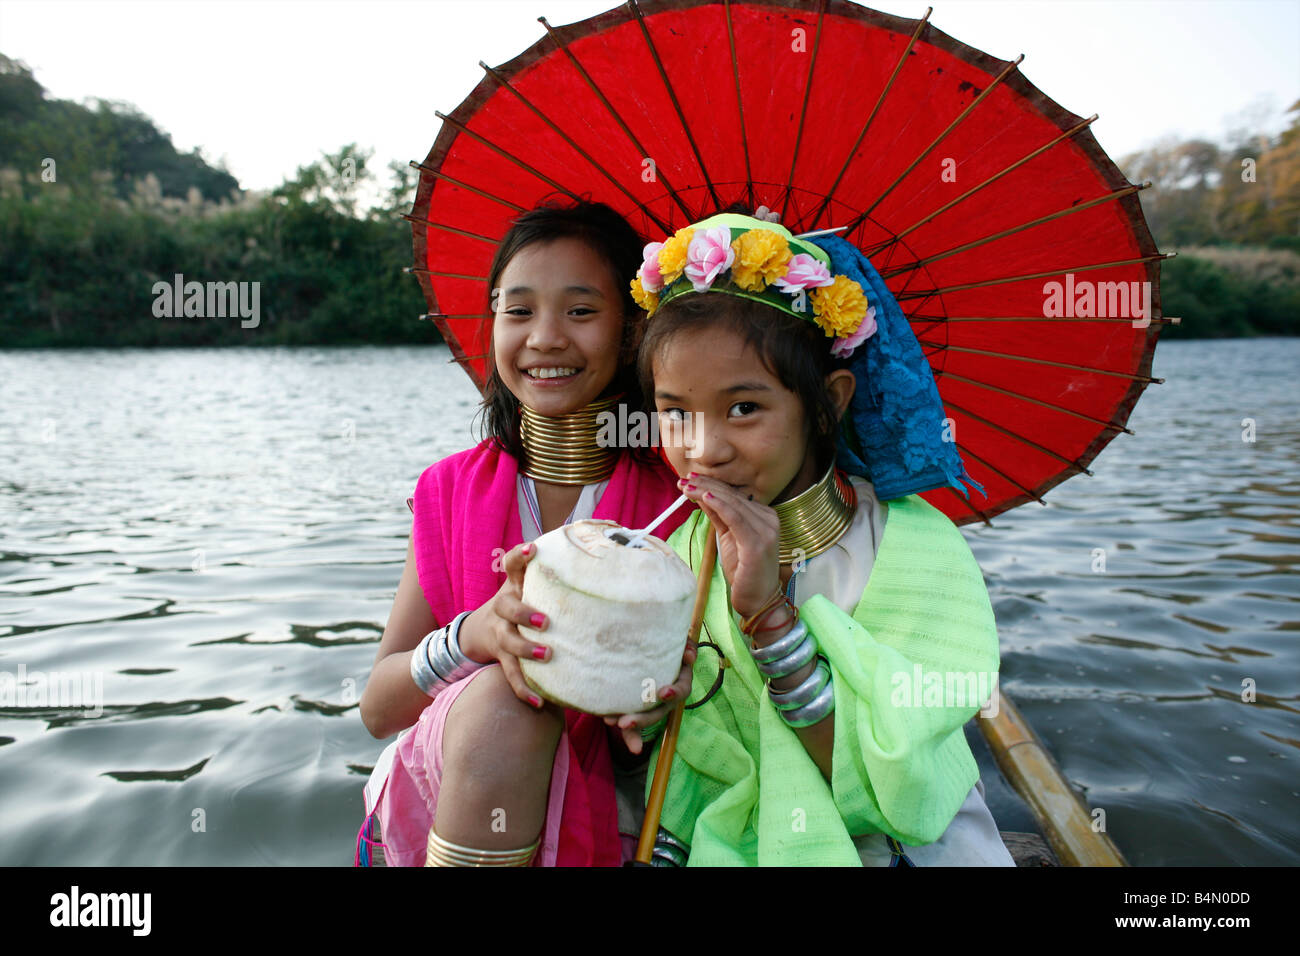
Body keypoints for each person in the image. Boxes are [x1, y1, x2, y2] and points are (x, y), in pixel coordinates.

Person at [630, 210, 1015, 865]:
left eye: (744, 408)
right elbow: (697, 746)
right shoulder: (685, 554)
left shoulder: (915, 552)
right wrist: (645, 703)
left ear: (828, 402)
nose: (703, 450)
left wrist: (768, 618)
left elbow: (892, 796)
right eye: (675, 413)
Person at [355, 200, 693, 867]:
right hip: (462, 785)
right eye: (518, 311)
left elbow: (699, 693)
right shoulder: (449, 491)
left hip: (630, 806)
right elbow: (378, 708)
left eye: (580, 310)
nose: (544, 338)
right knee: (511, 706)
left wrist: (662, 698)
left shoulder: (678, 500)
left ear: (632, 333)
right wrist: (474, 635)